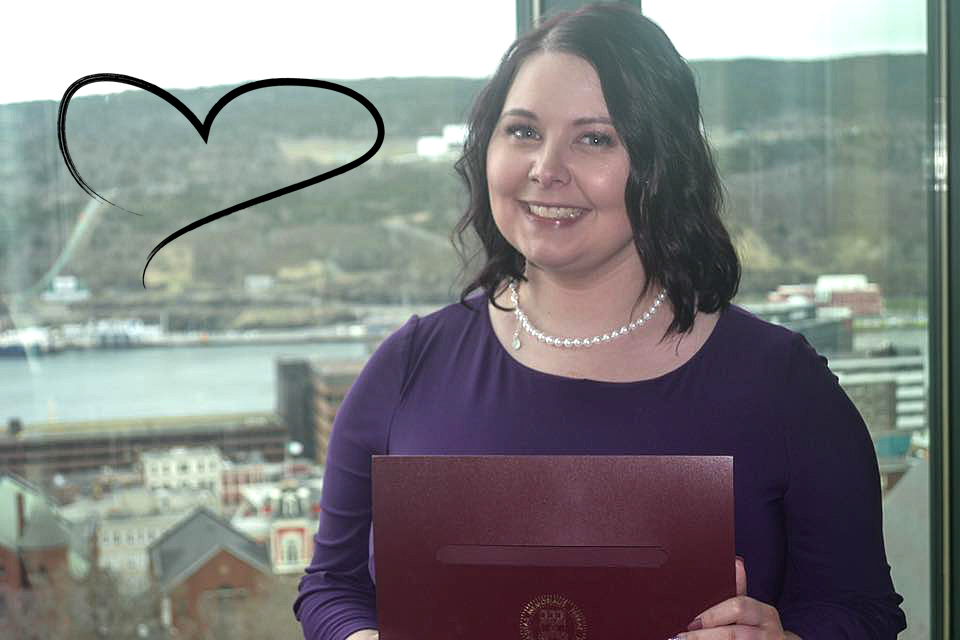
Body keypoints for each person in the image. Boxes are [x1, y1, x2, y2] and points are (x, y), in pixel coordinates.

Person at [293, 3, 907, 639]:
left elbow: (862, 611)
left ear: (663, 164)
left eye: (595, 138)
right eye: (523, 131)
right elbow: (331, 586)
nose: (546, 169)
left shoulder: (783, 386)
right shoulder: (407, 368)